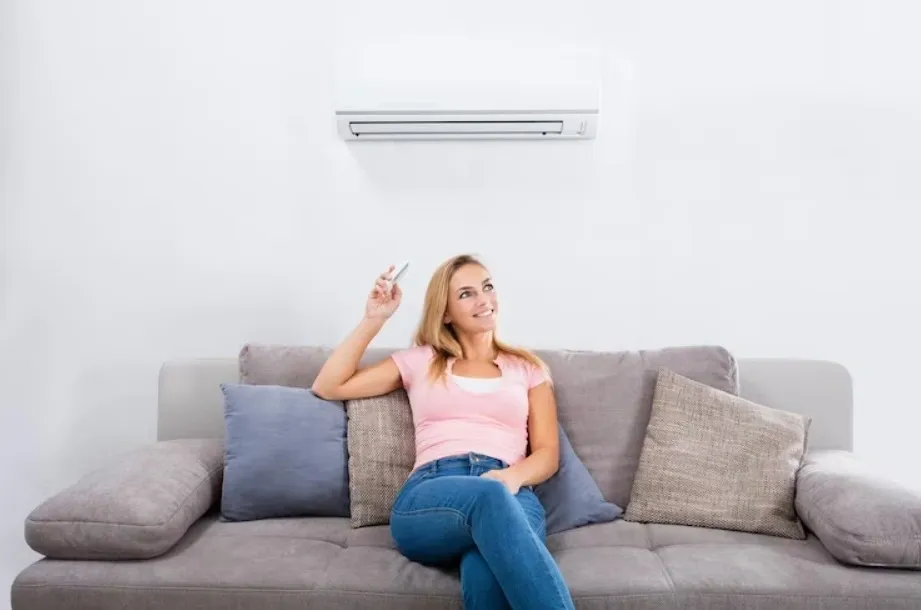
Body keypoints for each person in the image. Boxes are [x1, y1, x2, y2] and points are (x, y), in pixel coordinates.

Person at [311, 253, 575, 610]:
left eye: (487, 287)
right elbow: (329, 385)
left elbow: (547, 453)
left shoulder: (527, 369)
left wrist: (511, 478)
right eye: (466, 294)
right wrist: (374, 319)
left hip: (510, 490)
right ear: (446, 312)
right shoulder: (423, 360)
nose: (484, 300)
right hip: (432, 493)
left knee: (485, 568)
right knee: (488, 498)